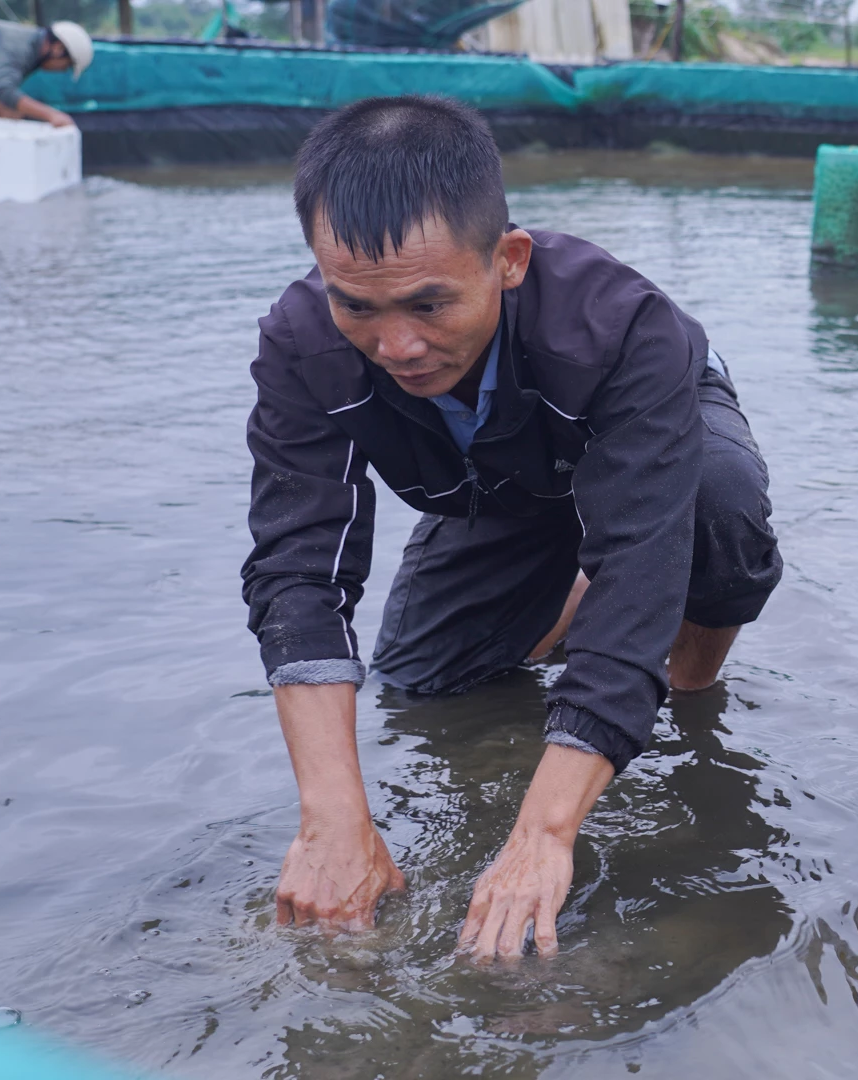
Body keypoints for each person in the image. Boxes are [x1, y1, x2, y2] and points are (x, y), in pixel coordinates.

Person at [241, 96, 783, 959]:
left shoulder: (623, 327)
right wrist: (332, 819)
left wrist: (543, 834)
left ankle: (692, 685)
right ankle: (570, 592)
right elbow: (299, 570)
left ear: (509, 260)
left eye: (428, 305)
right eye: (358, 308)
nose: (396, 346)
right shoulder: (303, 342)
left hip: (640, 454)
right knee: (422, 687)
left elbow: (643, 561)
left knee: (713, 508)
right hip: (491, 481)